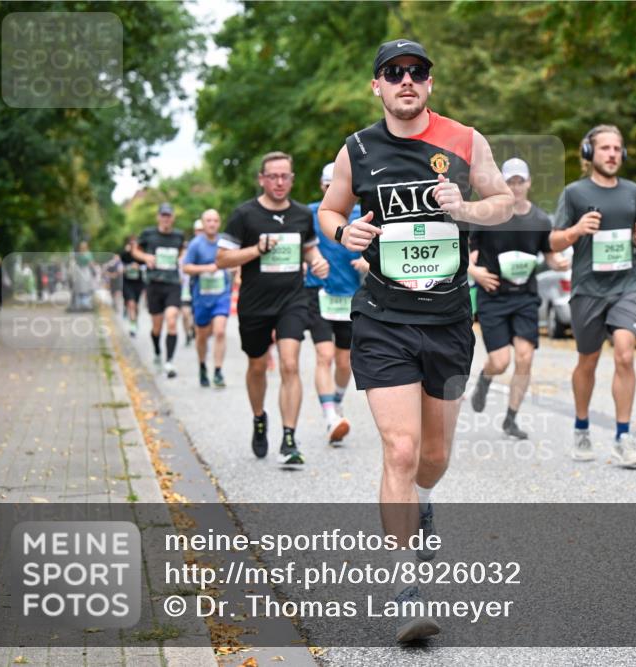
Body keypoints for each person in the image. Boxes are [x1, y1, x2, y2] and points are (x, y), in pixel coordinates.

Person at [318, 39, 513, 642]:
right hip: (382, 318)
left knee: (433, 457)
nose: (407, 80)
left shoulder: (465, 140)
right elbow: (329, 211)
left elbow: (506, 204)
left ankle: (424, 497)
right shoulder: (357, 149)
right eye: (394, 72)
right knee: (400, 451)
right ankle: (406, 590)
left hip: (449, 320)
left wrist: (467, 210)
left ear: (429, 83)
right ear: (376, 85)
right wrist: (344, 233)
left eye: (417, 72)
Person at [549, 125, 636, 467]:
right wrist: (577, 230)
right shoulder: (574, 193)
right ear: (589, 152)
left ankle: (623, 437)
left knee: (625, 354)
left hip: (626, 285)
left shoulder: (635, 193)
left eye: (617, 148)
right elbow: (553, 241)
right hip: (588, 289)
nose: (612, 154)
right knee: (588, 360)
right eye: (605, 148)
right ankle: (581, 427)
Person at [216, 151, 330, 466]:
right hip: (255, 303)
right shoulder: (244, 214)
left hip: (292, 300)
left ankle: (289, 439)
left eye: (285, 176)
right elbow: (222, 259)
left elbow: (310, 249)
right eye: (273, 176)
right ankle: (259, 418)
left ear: (292, 179)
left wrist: (317, 262)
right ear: (262, 179)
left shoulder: (301, 214)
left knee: (290, 364)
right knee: (257, 366)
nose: (279, 182)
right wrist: (256, 249)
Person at [468, 158, 570, 438]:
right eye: (509, 181)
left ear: (528, 183)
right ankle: (485, 379)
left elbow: (549, 254)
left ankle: (510, 419)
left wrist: (558, 263)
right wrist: (475, 273)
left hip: (525, 297)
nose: (515, 186)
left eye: (519, 181)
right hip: (493, 297)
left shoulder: (540, 220)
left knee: (525, 358)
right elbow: (467, 255)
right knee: (500, 361)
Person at [304, 162, 367, 445]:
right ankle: (330, 416)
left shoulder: (362, 213)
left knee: (344, 362)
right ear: (322, 186)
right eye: (327, 186)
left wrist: (367, 261)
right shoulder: (309, 213)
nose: (332, 191)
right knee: (324, 355)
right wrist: (311, 260)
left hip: (350, 296)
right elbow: (298, 244)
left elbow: (382, 249)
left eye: (336, 186)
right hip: (317, 292)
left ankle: (336, 401)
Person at [131, 202, 185, 378]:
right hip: (154, 284)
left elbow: (183, 251)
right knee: (157, 327)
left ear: (173, 218)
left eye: (169, 216)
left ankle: (169, 362)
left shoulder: (178, 235)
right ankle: (157, 352)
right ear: (158, 217)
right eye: (163, 215)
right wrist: (145, 257)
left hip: (173, 284)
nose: (166, 219)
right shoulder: (149, 234)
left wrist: (182, 259)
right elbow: (135, 251)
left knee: (171, 320)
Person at [183, 209, 231, 388]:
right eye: (208, 220)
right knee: (201, 336)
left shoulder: (225, 243)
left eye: (215, 220)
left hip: (221, 295)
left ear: (219, 223)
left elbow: (235, 260)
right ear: (203, 224)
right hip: (201, 297)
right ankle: (202, 365)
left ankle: (218, 371)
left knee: (220, 331)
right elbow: (186, 268)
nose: (212, 224)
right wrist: (207, 268)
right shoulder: (195, 244)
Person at [120, 235, 146, 337]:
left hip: (138, 283)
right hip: (127, 283)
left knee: (136, 306)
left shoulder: (142, 255)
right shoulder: (124, 255)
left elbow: (147, 266)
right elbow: (119, 267)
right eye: (131, 243)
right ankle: (132, 326)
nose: (133, 245)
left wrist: (139, 267)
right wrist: (129, 267)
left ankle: (135, 320)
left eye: (135, 243)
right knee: (131, 304)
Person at [179, 239, 196, 346]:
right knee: (185, 314)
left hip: (195, 289)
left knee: (194, 315)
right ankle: (187, 335)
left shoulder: (195, 260)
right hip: (184, 291)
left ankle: (193, 328)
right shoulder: (178, 262)